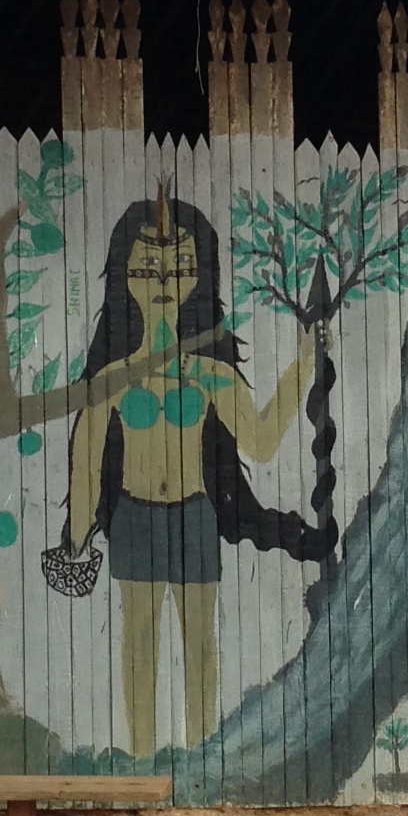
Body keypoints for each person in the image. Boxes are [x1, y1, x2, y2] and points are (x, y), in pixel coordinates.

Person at [50, 193, 325, 758]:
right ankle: (142, 761)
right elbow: (86, 458)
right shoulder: (114, 377)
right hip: (134, 517)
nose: (162, 280)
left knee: (200, 645)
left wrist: (303, 366)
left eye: (178, 266)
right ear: (125, 276)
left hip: (196, 515)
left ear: (197, 277)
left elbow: (261, 440)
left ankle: (202, 761)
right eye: (147, 266)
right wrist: (74, 539)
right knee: (139, 645)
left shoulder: (208, 373)